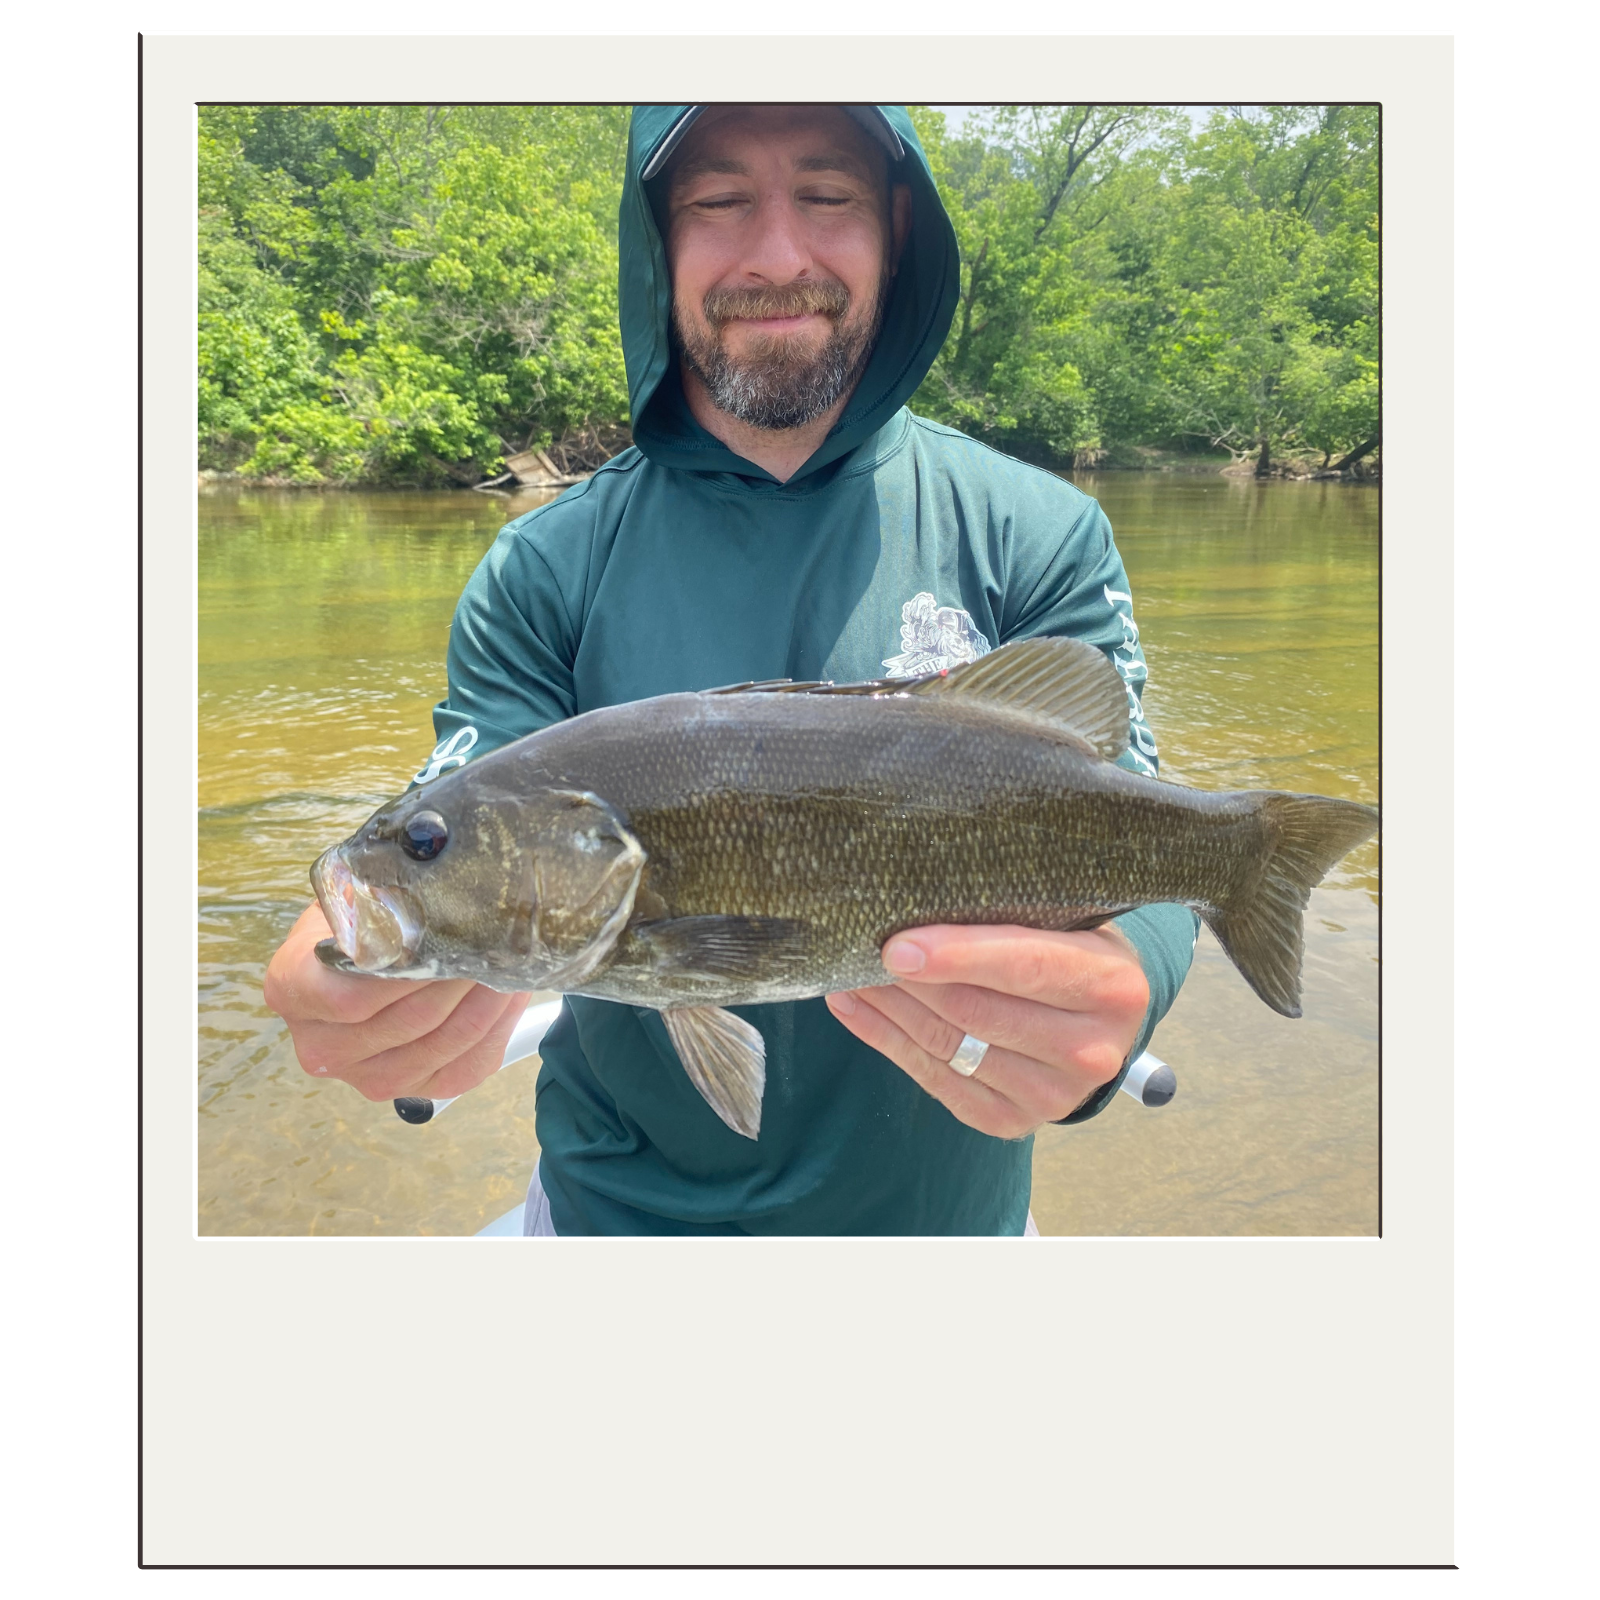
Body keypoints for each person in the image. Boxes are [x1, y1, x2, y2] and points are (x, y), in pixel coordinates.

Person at [263, 104, 1199, 1236]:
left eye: (826, 194)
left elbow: (1149, 827)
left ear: (897, 230)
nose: (776, 255)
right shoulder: (542, 569)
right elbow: (454, 801)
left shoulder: (1039, 530)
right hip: (608, 1232)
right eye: (717, 200)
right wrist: (345, 983)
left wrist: (1124, 993)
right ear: (656, 240)